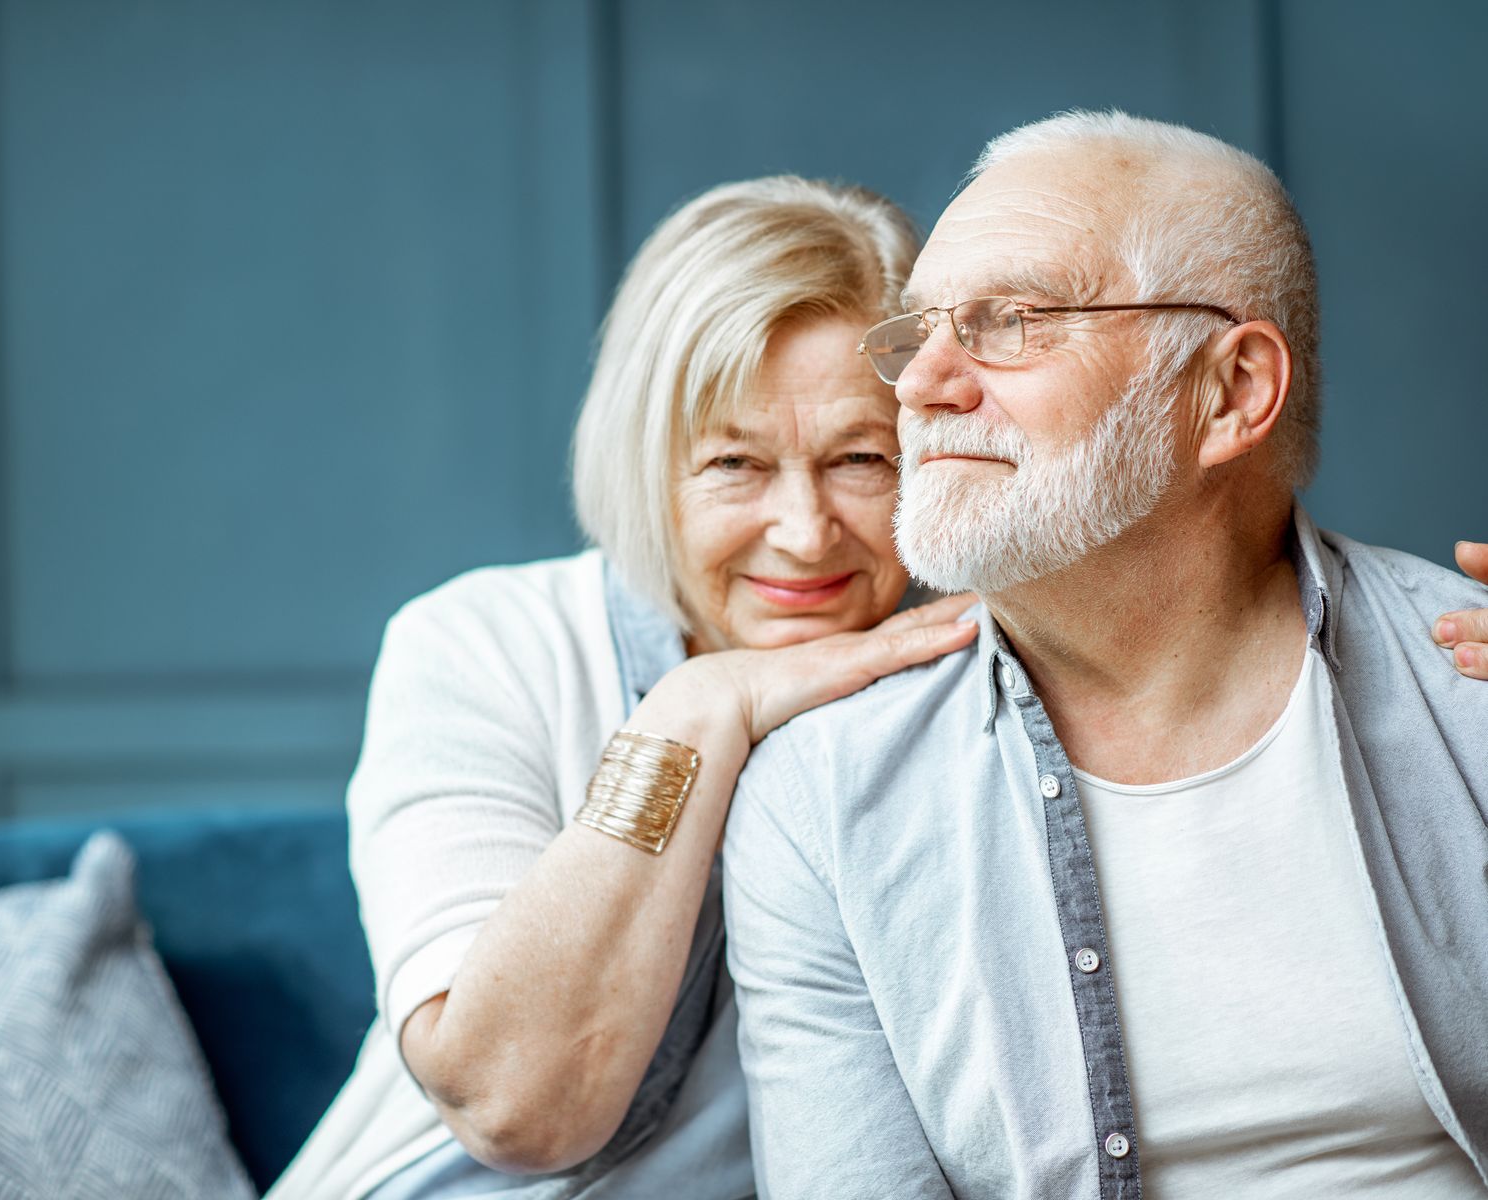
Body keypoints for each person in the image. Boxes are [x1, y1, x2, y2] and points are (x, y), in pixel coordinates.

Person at [721, 111, 1488, 1199]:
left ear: (1228, 393)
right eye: (917, 332)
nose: (919, 384)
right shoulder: (824, 797)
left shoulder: (1471, 687)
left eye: (1010, 321)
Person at [270, 176, 980, 1200]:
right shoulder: (481, 645)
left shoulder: (979, 670)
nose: (804, 531)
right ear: (647, 462)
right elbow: (512, 1104)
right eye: (735, 463)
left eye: (859, 459)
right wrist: (700, 714)